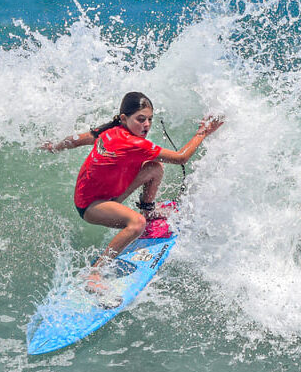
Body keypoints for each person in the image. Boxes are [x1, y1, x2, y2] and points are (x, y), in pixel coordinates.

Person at [42, 91, 223, 299]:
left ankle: (148, 210)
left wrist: (54, 146)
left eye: (149, 120)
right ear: (124, 118)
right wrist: (203, 132)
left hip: (105, 195)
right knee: (137, 224)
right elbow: (181, 157)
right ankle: (94, 273)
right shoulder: (135, 143)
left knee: (154, 168)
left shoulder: (109, 130)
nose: (146, 125)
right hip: (91, 206)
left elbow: (76, 140)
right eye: (140, 119)